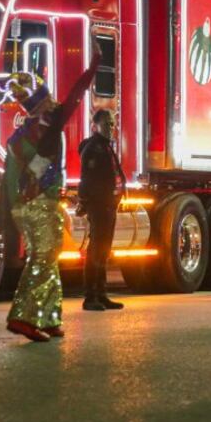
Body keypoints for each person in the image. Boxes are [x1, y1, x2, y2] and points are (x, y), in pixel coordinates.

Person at [2, 50, 98, 343]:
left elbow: (9, 179)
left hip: (27, 206)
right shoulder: (48, 127)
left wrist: (11, 211)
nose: (56, 105)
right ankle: (23, 317)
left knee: (49, 258)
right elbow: (75, 96)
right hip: (40, 205)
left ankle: (51, 318)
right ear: (42, 103)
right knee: (42, 260)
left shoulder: (21, 135)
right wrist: (93, 67)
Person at [78, 109, 126, 311]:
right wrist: (85, 201)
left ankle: (102, 294)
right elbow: (86, 179)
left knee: (104, 250)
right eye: (106, 124)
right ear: (95, 126)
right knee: (96, 250)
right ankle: (90, 297)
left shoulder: (106, 147)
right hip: (99, 206)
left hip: (108, 205)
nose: (111, 127)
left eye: (112, 124)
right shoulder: (93, 148)